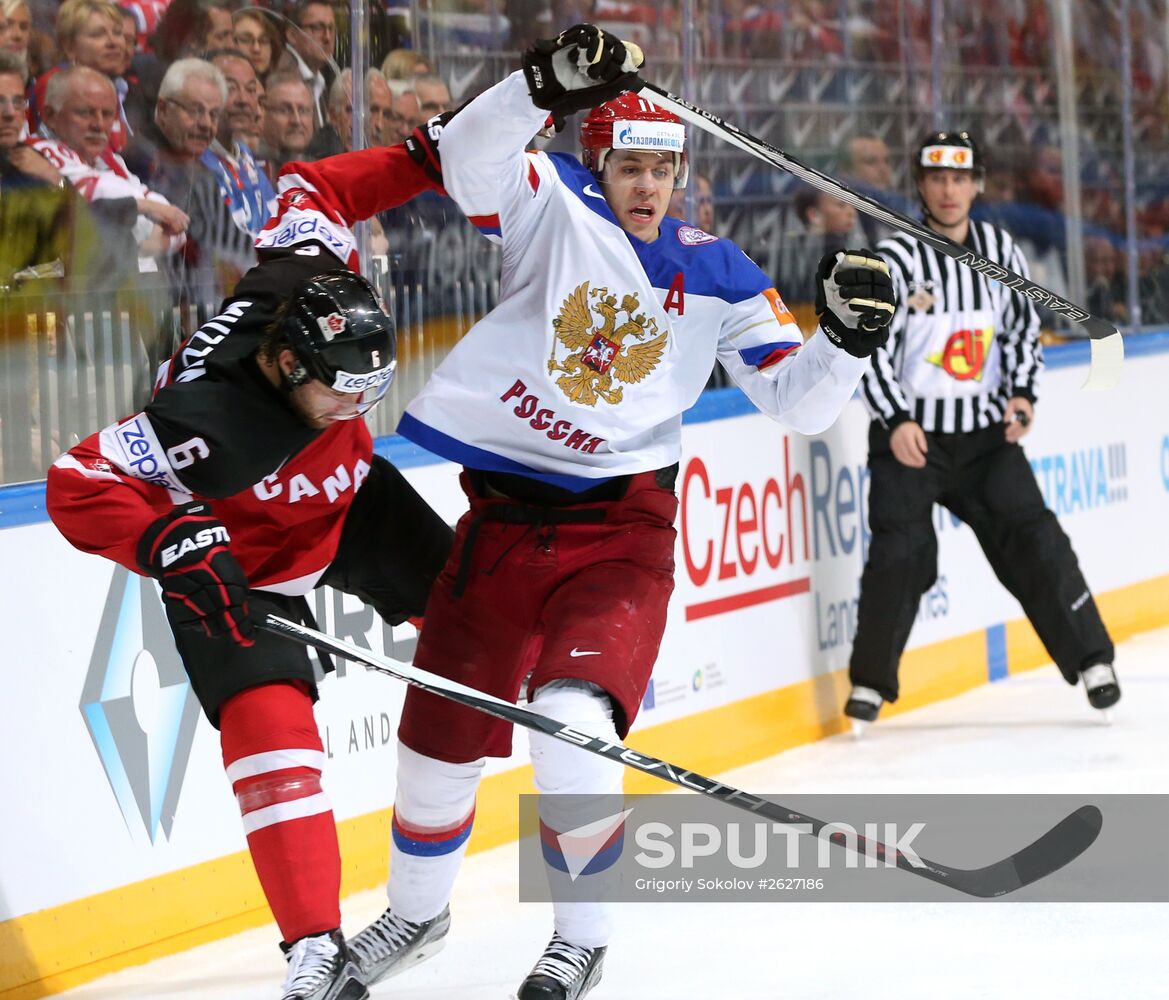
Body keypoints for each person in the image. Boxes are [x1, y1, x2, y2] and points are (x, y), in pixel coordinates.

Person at [344, 24, 894, 1000]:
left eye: (661, 169)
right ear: (600, 158)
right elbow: (466, 157)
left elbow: (797, 404)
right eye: (630, 164)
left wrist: (846, 341)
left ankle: (579, 938)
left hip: (618, 541)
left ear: (680, 175)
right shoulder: (551, 203)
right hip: (498, 530)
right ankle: (415, 912)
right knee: (434, 735)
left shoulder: (717, 268)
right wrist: (538, 85)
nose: (645, 185)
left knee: (566, 719)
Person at [45, 137, 457, 1000]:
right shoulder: (204, 424)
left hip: (347, 504)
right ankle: (315, 946)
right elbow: (77, 480)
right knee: (273, 748)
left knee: (482, 624)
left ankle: (426, 901)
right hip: (239, 562)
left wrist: (436, 151)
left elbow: (313, 182)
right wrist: (169, 545)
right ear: (283, 364)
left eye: (369, 391)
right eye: (340, 393)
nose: (356, 405)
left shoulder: (311, 273)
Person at [843, 130, 1119, 734]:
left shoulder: (1000, 250)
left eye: (959, 178)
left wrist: (1022, 394)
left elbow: (1022, 331)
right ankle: (869, 682)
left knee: (1036, 542)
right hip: (911, 440)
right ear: (920, 184)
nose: (948, 190)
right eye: (937, 178)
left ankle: (1093, 660)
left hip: (986, 441)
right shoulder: (894, 258)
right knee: (901, 554)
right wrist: (895, 419)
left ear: (977, 184)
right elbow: (871, 350)